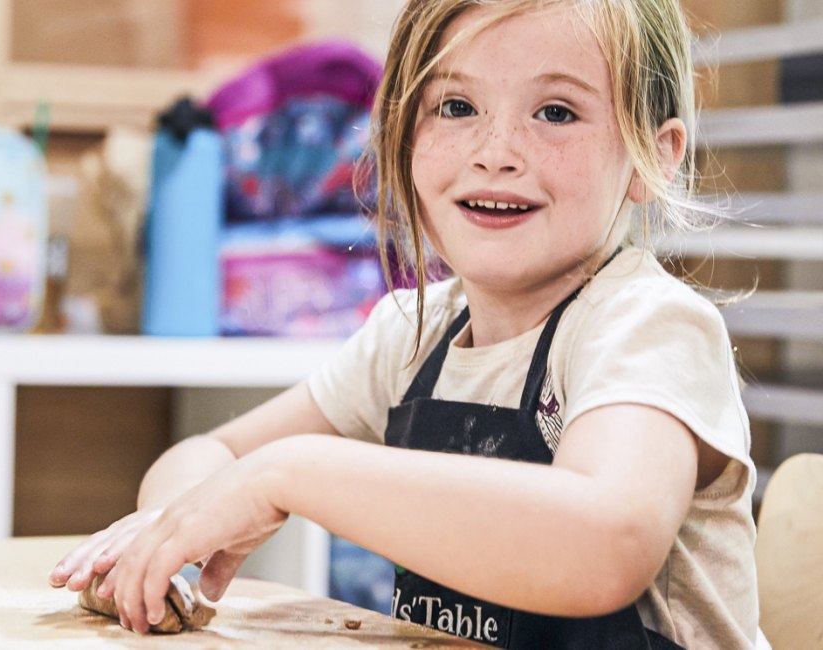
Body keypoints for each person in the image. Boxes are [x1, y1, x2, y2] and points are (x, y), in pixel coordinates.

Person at [50, 1, 766, 647]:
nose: (495, 151)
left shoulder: (650, 328)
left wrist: (286, 473)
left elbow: (603, 544)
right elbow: (209, 453)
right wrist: (173, 536)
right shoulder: (410, 335)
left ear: (655, 157)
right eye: (456, 106)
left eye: (555, 112)